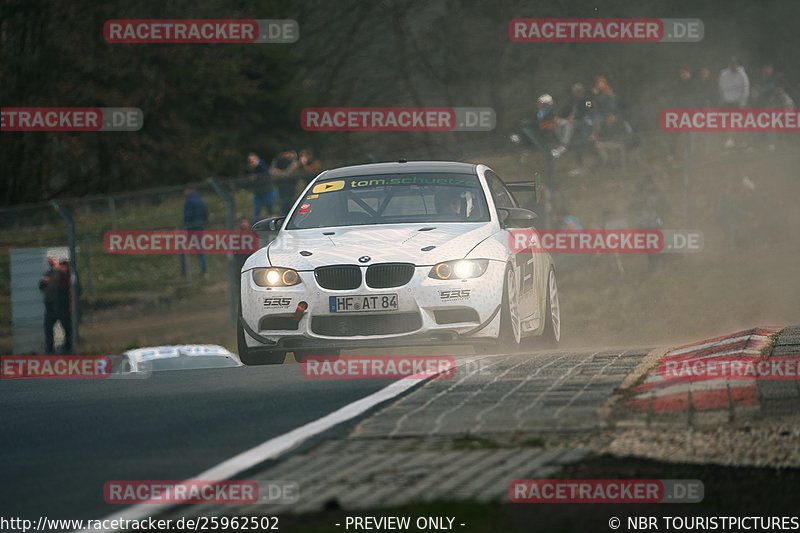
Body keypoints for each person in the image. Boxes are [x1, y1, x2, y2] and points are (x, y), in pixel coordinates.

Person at [718, 57, 750, 149]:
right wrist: (723, 99)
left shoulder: (742, 75)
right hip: (727, 102)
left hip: (738, 103)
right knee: (726, 122)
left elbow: (745, 89)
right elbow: (721, 87)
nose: (734, 66)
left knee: (738, 123)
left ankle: (740, 142)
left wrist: (742, 103)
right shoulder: (723, 74)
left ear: (738, 65)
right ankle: (728, 140)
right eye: (732, 64)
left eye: (735, 64)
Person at [181, 187, 208, 279]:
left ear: (188, 190)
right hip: (200, 226)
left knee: (183, 249)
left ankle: (184, 272)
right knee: (200, 248)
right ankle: (204, 271)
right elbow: (205, 212)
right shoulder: (200, 200)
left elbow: (187, 215)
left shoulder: (189, 201)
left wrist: (185, 225)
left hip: (191, 228)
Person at [39, 257, 63, 354]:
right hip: (49, 304)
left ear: (57, 262)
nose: (51, 263)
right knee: (48, 327)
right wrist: (43, 282)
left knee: (66, 326)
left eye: (53, 260)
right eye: (50, 262)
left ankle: (67, 347)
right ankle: (50, 349)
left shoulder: (61, 274)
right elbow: (41, 287)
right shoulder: (47, 274)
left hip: (59, 303)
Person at [270, 146, 299, 215]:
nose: (286, 155)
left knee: (290, 203)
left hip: (291, 186)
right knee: (283, 204)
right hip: (281, 186)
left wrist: (279, 172)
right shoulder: (278, 160)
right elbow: (271, 171)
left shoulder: (294, 161)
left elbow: (289, 173)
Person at [248, 152, 276, 221]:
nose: (251, 163)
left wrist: (256, 178)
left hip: (267, 192)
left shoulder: (262, 166)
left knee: (271, 210)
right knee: (257, 211)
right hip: (258, 193)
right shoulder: (252, 169)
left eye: (252, 161)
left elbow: (265, 178)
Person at [56, 259, 73, 353]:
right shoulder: (60, 279)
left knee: (69, 329)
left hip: (69, 308)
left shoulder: (70, 279)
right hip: (62, 308)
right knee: (66, 328)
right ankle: (67, 347)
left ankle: (68, 347)